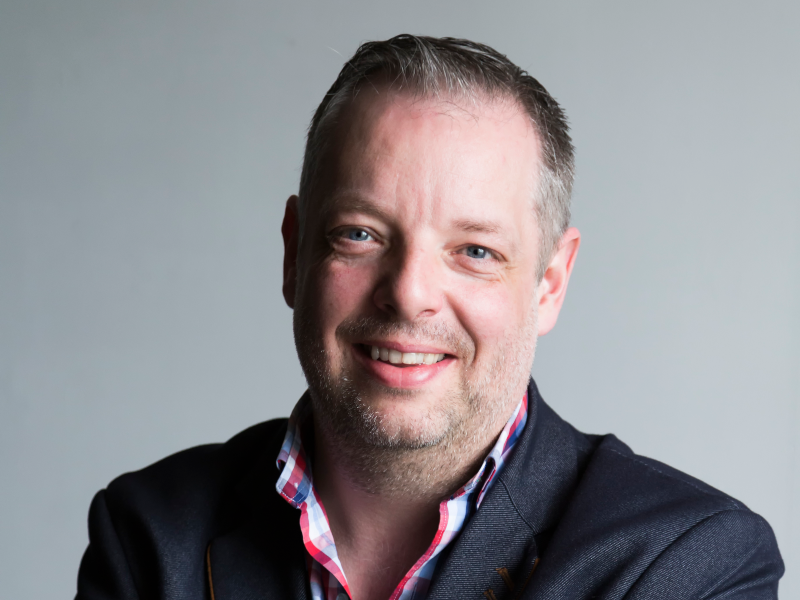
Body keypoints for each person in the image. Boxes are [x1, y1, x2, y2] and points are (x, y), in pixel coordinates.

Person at [76, 35, 784, 600]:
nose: (409, 294)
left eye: (474, 250)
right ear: (294, 254)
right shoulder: (150, 534)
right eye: (359, 234)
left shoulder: (690, 561)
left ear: (550, 284)